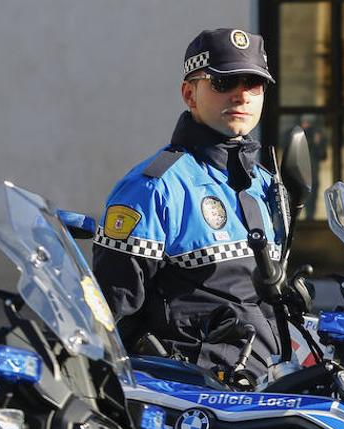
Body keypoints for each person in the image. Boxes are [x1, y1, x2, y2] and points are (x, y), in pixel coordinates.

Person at [93, 28, 283, 375]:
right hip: (190, 400)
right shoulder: (154, 187)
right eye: (224, 83)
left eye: (252, 84)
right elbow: (111, 313)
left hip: (264, 384)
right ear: (189, 94)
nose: (241, 96)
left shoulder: (266, 184)